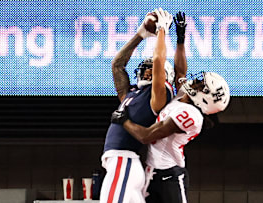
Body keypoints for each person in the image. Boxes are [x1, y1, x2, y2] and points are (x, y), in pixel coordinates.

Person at [110, 12, 231, 203]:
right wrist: (181, 38)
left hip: (170, 175)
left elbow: (147, 136)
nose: (195, 82)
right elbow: (180, 71)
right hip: (151, 171)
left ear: (205, 98)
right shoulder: (185, 98)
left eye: (200, 85)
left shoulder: (191, 115)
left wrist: (123, 120)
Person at [99, 8, 174, 203]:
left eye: (152, 70)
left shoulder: (159, 95)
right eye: (146, 68)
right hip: (123, 165)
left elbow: (159, 60)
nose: (147, 72)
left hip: (124, 162)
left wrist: (161, 31)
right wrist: (140, 34)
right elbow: (117, 65)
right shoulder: (132, 93)